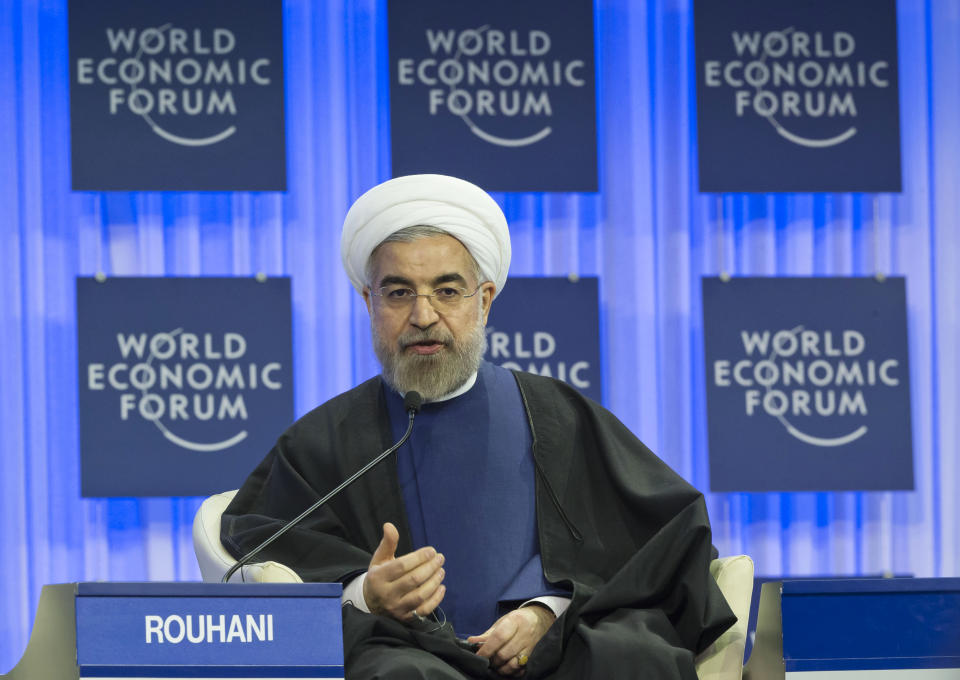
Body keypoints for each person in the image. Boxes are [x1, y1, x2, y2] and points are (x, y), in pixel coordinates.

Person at [221, 174, 734, 679]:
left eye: (447, 290)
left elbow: (665, 533)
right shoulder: (327, 438)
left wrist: (547, 611)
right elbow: (262, 538)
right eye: (398, 293)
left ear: (484, 300)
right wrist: (364, 593)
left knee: (630, 657)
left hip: (555, 649)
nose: (423, 315)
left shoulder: (555, 415)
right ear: (368, 302)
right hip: (409, 650)